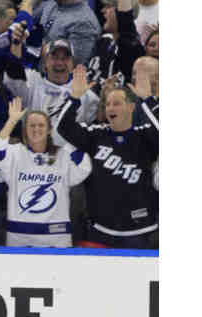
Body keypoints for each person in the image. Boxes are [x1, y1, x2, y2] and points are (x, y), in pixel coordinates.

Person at [57, 65, 158, 248]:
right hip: (101, 231)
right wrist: (75, 98)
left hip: (142, 230)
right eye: (108, 104)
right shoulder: (95, 135)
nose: (111, 107)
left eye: (117, 103)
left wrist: (148, 100)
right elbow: (63, 126)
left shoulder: (145, 136)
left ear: (131, 107)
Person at [0, 97, 92, 247]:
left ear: (49, 129)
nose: (36, 129)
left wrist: (64, 142)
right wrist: (11, 121)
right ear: (25, 129)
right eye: (32, 125)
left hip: (56, 236)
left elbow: (84, 169)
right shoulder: (14, 152)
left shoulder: (63, 155)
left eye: (41, 125)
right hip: (19, 236)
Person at [31, 0, 101, 65]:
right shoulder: (53, 4)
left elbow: (72, 65)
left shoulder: (84, 22)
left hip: (58, 78)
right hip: (39, 70)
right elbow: (25, 17)